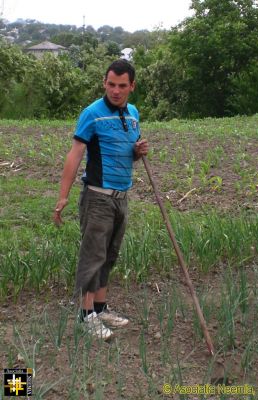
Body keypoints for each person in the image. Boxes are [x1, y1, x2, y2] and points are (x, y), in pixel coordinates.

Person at [53, 59, 149, 339]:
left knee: (109, 255)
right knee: (92, 256)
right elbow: (75, 154)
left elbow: (127, 151)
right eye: (111, 84)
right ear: (104, 83)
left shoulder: (133, 114)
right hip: (97, 197)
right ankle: (86, 316)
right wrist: (63, 196)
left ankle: (100, 307)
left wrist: (138, 151)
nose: (115, 91)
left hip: (122, 196)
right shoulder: (92, 113)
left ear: (132, 86)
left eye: (122, 85)